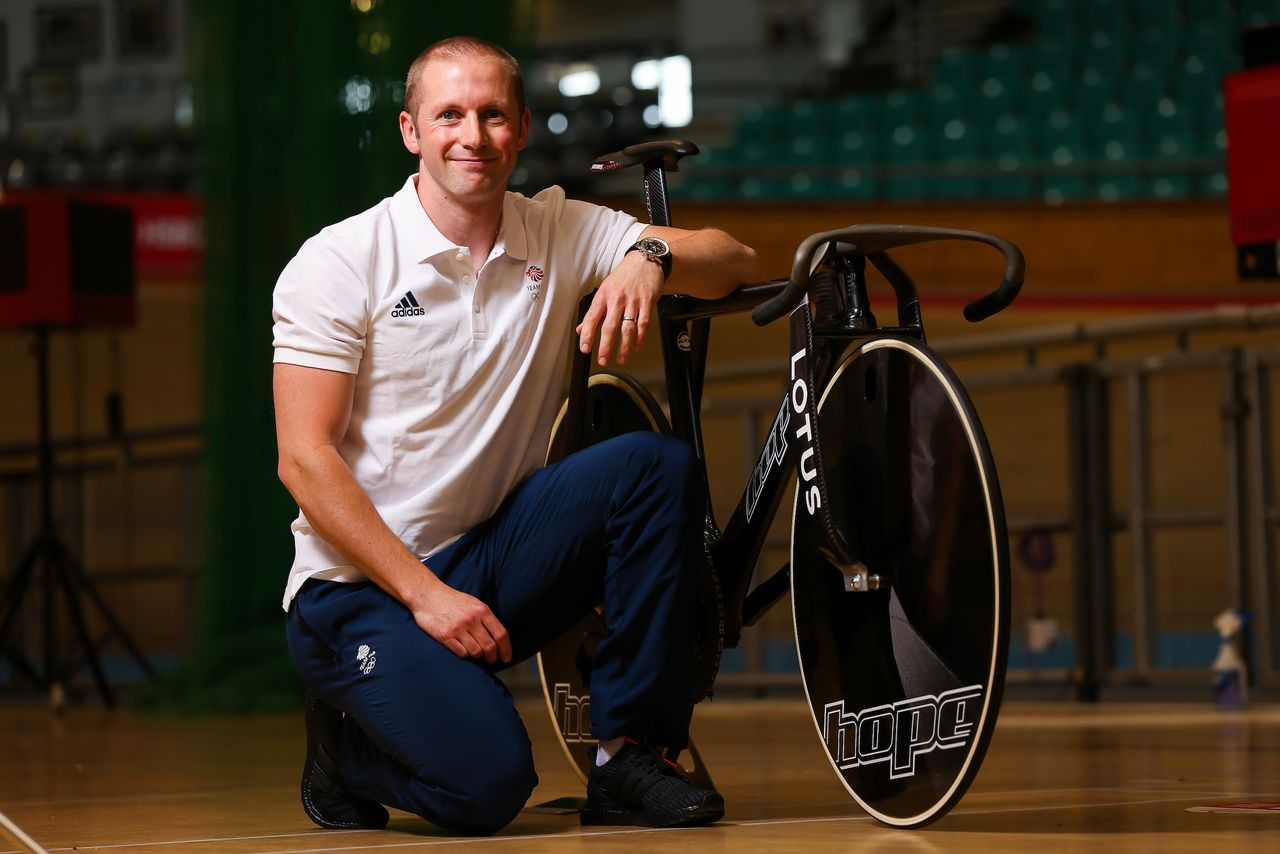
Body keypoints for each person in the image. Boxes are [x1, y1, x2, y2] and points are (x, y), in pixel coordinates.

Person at [272, 36, 758, 835]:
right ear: (410, 130)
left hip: (488, 559)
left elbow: (733, 258)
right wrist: (424, 597)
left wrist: (650, 257)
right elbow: (304, 459)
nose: (473, 134)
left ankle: (628, 756)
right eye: (450, 115)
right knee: (490, 791)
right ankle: (343, 751)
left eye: (493, 114)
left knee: (652, 468)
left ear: (522, 128)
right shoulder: (340, 261)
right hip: (357, 592)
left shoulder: (556, 230)